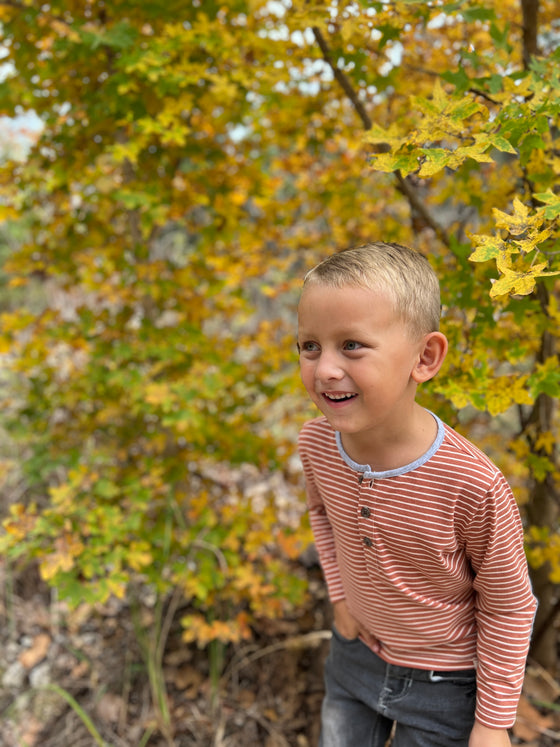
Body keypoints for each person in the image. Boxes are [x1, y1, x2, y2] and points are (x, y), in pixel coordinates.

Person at [296, 242, 537, 747]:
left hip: (445, 685)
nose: (324, 370)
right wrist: (339, 596)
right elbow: (322, 514)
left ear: (424, 357)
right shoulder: (316, 442)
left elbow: (509, 606)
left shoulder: (471, 485)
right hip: (355, 656)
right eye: (309, 346)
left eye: (352, 346)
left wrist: (492, 723)